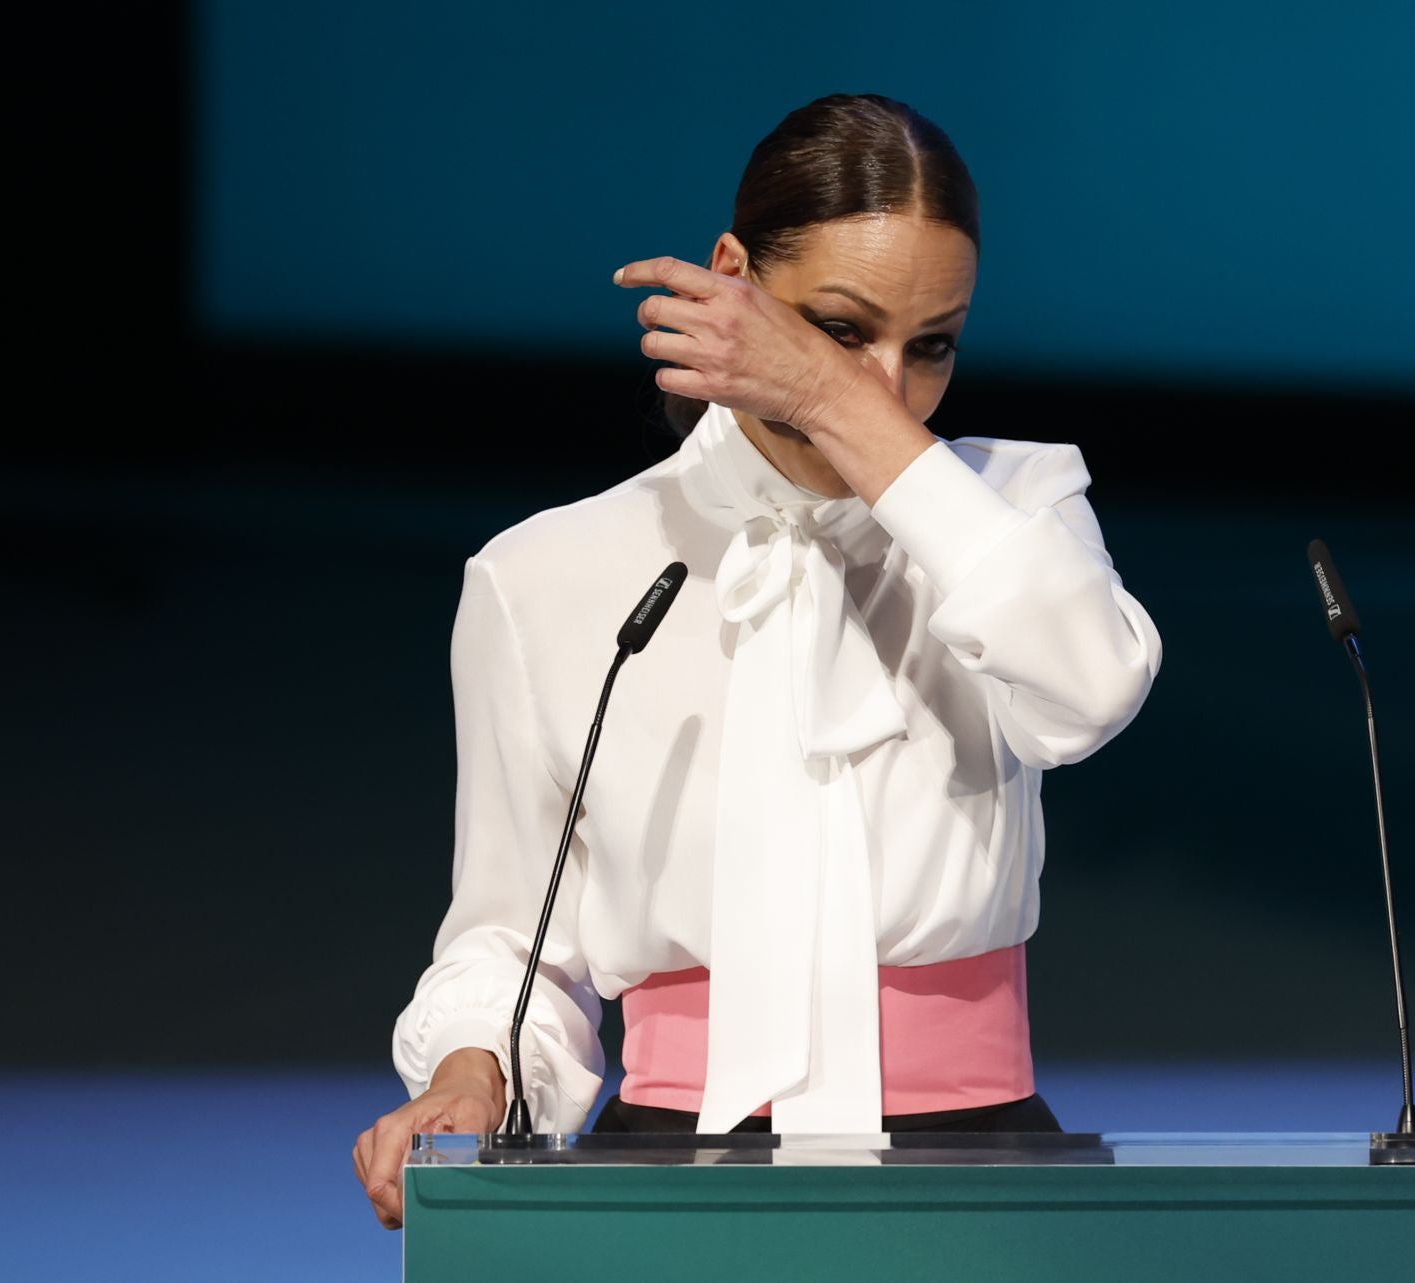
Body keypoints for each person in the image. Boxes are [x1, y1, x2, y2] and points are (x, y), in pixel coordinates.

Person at [353, 92, 1162, 1229]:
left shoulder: (1014, 511)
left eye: (930, 345)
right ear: (732, 276)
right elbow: (511, 926)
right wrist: (475, 1067)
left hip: (981, 1173)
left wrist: (831, 397)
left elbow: (1093, 686)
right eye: (841, 329)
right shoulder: (546, 573)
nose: (890, 385)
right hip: (666, 1177)